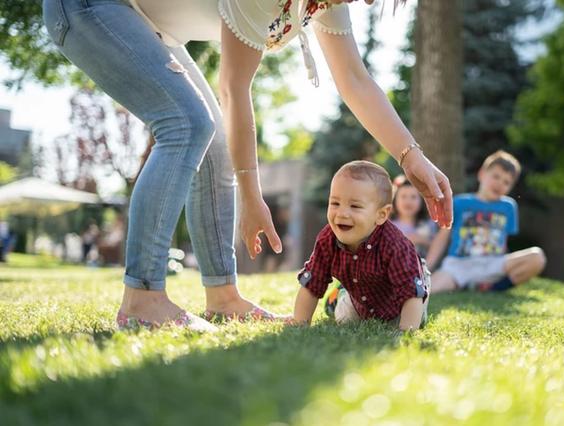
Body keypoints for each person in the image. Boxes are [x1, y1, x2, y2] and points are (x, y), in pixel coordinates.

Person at [42, 0, 451, 331]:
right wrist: (251, 198)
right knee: (188, 123)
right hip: (90, 7)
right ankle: (143, 299)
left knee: (215, 138)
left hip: (149, 24)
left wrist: (411, 157)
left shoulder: (329, 2)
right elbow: (234, 89)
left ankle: (223, 297)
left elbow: (355, 81)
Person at [293, 161, 430, 331]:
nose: (342, 213)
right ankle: (338, 298)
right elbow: (312, 283)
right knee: (346, 319)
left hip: (401, 299)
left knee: (415, 320)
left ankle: (342, 294)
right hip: (361, 298)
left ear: (381, 215)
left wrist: (406, 333)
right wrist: (299, 323)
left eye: (355, 206)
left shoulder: (396, 245)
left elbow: (411, 294)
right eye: (335, 203)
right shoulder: (327, 239)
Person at [426, 151, 546, 294]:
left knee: (537, 257)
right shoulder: (459, 203)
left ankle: (492, 288)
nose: (500, 184)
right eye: (496, 176)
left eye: (506, 182)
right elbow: (442, 237)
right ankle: (467, 284)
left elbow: (503, 242)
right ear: (482, 174)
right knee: (429, 288)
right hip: (459, 265)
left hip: (493, 264)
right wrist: (427, 267)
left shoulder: (509, 207)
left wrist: (506, 265)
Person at [391, 175, 438, 258]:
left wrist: (421, 240)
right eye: (403, 196)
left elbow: (438, 247)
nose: (408, 201)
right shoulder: (389, 225)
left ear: (422, 201)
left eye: (413, 197)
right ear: (395, 200)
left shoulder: (428, 223)